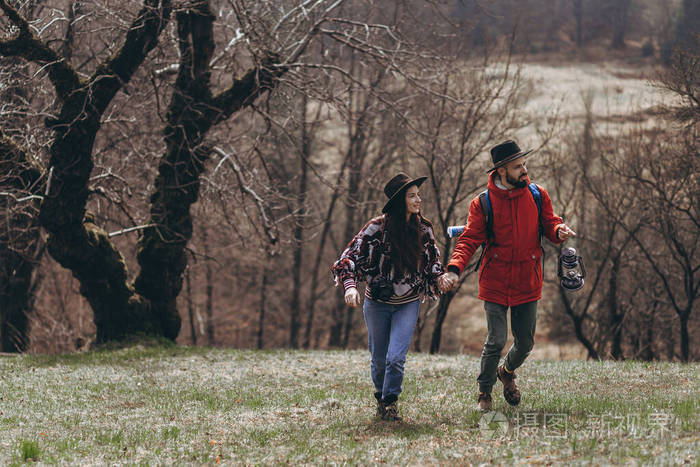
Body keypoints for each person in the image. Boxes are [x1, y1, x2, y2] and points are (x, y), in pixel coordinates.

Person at [437, 140, 576, 412]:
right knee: (496, 340)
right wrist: (454, 269)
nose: (524, 171)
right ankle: (484, 393)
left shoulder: (538, 195)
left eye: (524, 165)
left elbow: (550, 224)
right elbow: (468, 240)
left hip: (528, 279)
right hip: (496, 280)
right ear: (501, 171)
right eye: (517, 167)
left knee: (525, 342)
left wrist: (559, 230)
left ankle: (507, 372)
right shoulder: (482, 204)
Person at [332, 173, 444, 421]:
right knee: (379, 361)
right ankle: (381, 398)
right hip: (376, 304)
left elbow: (433, 264)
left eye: (418, 194)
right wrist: (350, 287)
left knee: (395, 359)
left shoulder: (424, 229)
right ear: (398, 201)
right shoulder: (375, 228)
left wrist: (440, 279)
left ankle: (391, 402)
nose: (419, 200)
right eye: (412, 196)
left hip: (408, 303)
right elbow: (348, 258)